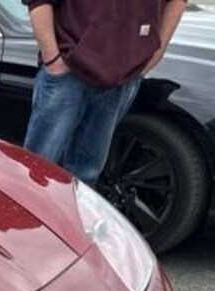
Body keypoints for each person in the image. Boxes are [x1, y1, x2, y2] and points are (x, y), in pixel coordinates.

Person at [22, 0, 188, 186]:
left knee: (86, 176)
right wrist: (53, 59)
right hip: (69, 73)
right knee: (37, 170)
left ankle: (70, 215)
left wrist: (157, 51)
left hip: (122, 79)